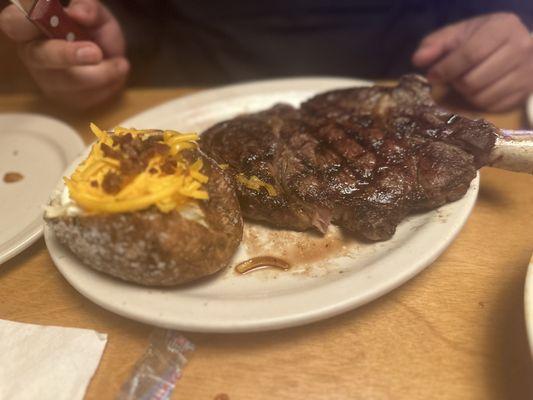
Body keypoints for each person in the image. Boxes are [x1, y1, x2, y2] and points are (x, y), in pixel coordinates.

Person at [0, 0, 532, 111]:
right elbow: (140, 17)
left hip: (415, 99)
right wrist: (106, 44)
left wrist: (516, 30)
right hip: (193, 108)